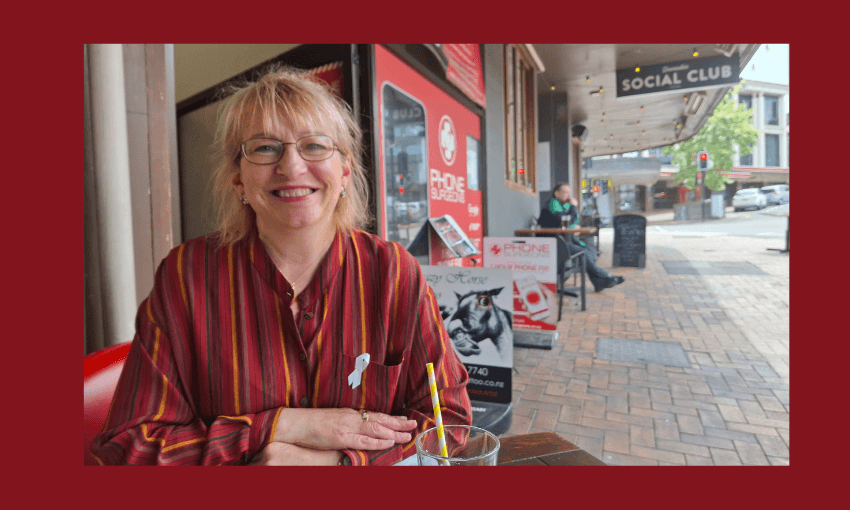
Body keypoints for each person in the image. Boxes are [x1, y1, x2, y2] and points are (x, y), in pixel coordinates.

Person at [90, 65, 472, 466]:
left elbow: (450, 422)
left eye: (315, 145)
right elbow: (127, 447)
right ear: (238, 178)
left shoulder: (394, 272)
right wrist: (280, 427)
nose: (291, 167)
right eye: (265, 148)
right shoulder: (186, 277)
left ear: (344, 171)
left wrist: (340, 464)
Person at [538, 183, 624, 293]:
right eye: (566, 192)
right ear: (557, 193)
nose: (569, 195)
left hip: (562, 241)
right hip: (553, 244)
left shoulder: (562, 205)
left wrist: (573, 224)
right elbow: (564, 220)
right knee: (584, 252)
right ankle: (604, 277)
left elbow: (570, 222)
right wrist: (573, 206)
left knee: (587, 250)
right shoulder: (552, 204)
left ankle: (599, 281)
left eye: (569, 192)